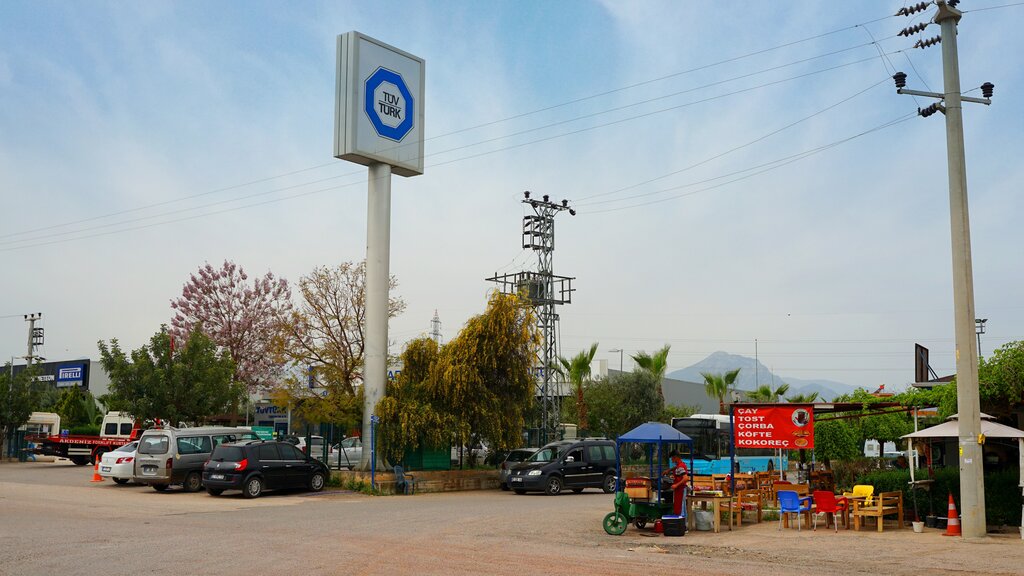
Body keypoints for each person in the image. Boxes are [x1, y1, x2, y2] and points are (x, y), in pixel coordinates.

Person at [664, 449, 689, 516]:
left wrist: (676, 485)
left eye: (672, 458)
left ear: (675, 457)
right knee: (679, 506)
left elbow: (686, 478)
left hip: (681, 489)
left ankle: (682, 523)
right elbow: (676, 467)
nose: (671, 460)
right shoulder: (679, 465)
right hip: (679, 489)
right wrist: (669, 470)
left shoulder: (680, 466)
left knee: (681, 507)